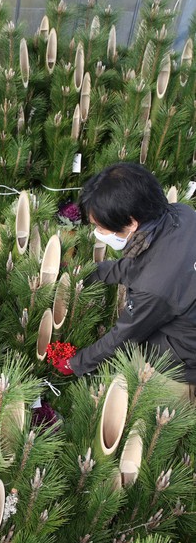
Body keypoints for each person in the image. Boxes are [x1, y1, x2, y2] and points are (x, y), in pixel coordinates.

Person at [55, 162, 196, 399]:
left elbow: (123, 337)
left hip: (180, 362)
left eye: (101, 227)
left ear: (131, 222)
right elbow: (142, 264)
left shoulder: (154, 287)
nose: (98, 233)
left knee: (156, 420)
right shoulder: (181, 213)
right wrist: (91, 273)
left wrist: (76, 363)